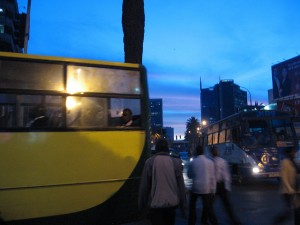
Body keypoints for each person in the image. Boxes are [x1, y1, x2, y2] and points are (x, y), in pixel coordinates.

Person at [138, 139, 186, 225]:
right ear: (167, 149)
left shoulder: (149, 162)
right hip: (172, 205)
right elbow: (181, 186)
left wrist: (142, 205)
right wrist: (183, 205)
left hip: (156, 206)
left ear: (156, 149)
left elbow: (144, 186)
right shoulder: (176, 163)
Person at [188, 145, 218, 225]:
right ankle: (207, 221)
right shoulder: (210, 162)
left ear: (196, 152)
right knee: (208, 206)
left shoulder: (193, 162)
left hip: (196, 187)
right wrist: (213, 190)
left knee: (192, 205)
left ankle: (192, 221)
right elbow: (213, 177)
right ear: (203, 152)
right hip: (207, 188)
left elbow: (189, 175)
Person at [211, 146, 241, 225]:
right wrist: (227, 186)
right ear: (217, 153)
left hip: (215, 186)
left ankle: (209, 220)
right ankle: (234, 220)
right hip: (221, 185)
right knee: (227, 205)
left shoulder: (211, 161)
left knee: (209, 205)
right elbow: (226, 175)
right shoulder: (222, 161)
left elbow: (211, 176)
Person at [272, 147, 299, 225]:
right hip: (287, 191)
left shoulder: (294, 162)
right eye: (293, 152)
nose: (294, 153)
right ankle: (276, 221)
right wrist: (290, 189)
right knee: (289, 211)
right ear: (289, 153)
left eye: (294, 152)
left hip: (295, 189)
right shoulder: (285, 162)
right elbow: (284, 177)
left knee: (295, 210)